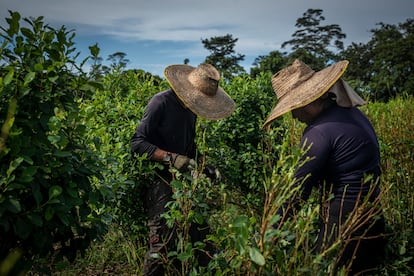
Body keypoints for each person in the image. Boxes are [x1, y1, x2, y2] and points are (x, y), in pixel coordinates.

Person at [264, 59, 386, 274]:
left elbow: (296, 192)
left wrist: (268, 233)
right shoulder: (354, 114)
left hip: (344, 224)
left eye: (294, 108)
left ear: (307, 102)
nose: (293, 115)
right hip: (373, 215)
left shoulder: (318, 132)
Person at [130, 63, 235, 275]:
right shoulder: (160, 102)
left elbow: (189, 147)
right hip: (160, 182)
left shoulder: (191, 110)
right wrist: (170, 157)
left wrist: (205, 166)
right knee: (161, 245)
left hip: (183, 183)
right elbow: (137, 144)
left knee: (201, 238)